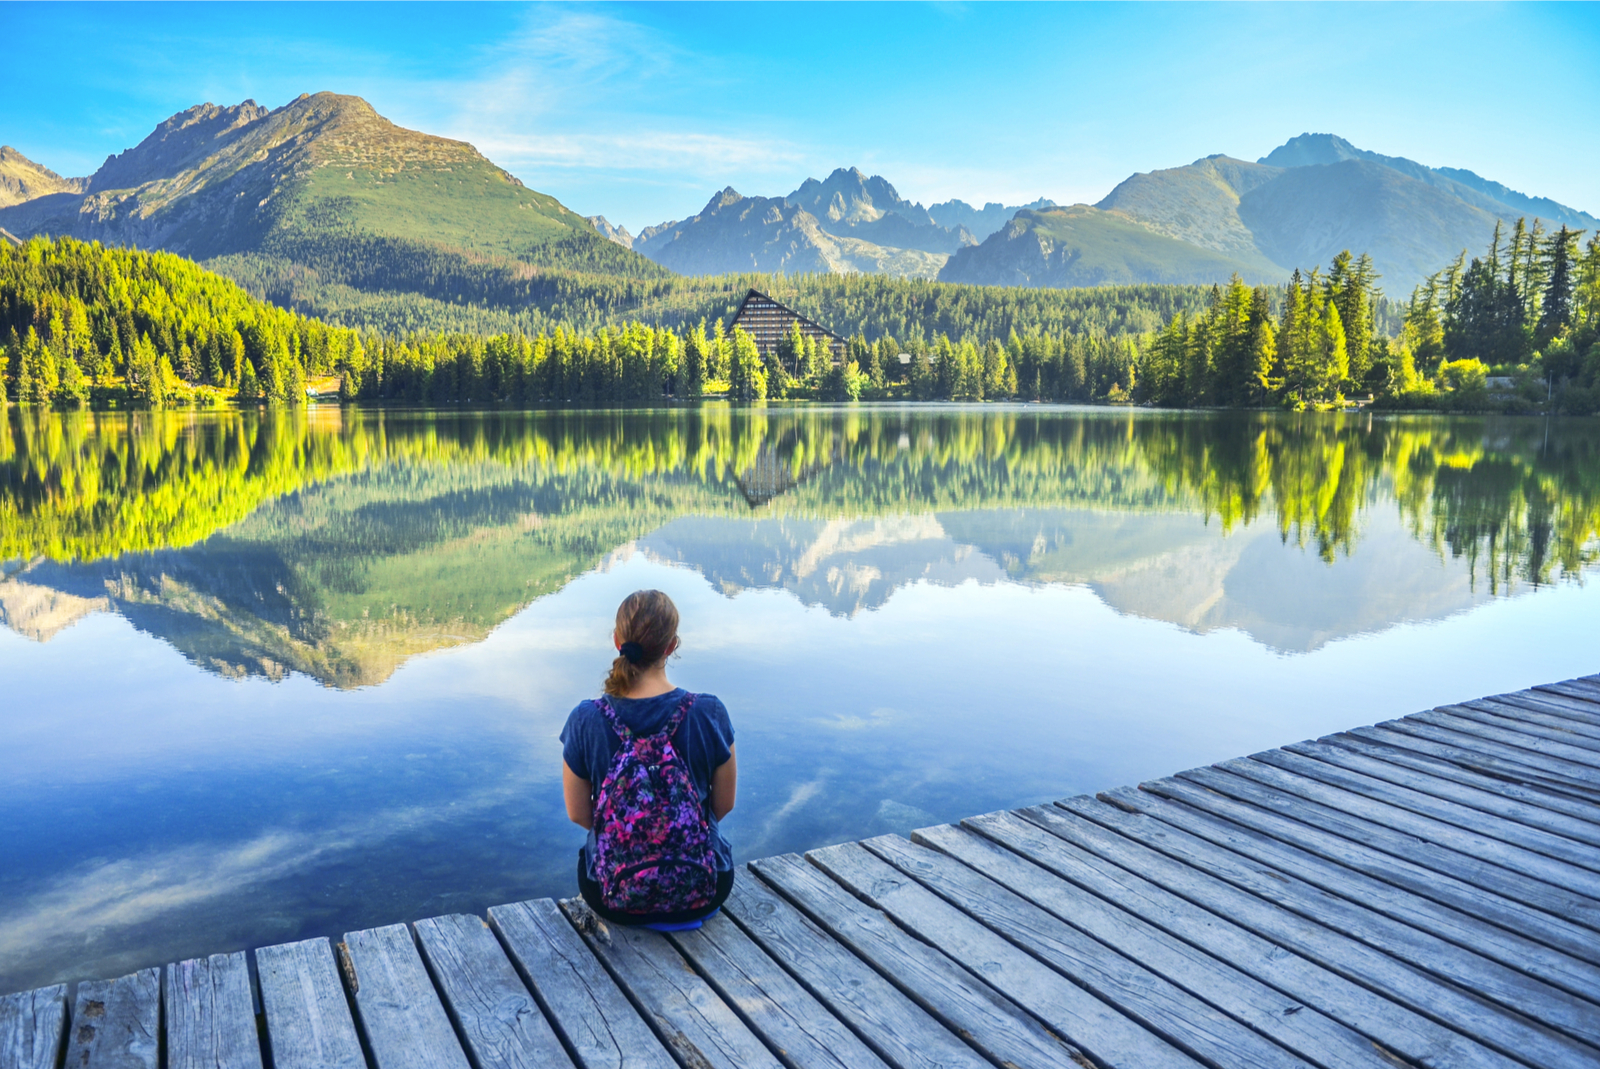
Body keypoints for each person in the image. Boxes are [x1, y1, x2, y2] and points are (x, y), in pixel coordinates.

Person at [560, 589, 737, 930]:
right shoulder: (709, 712)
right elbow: (724, 805)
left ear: (616, 641)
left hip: (612, 895)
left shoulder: (586, 719)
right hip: (705, 888)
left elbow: (579, 814)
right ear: (672, 646)